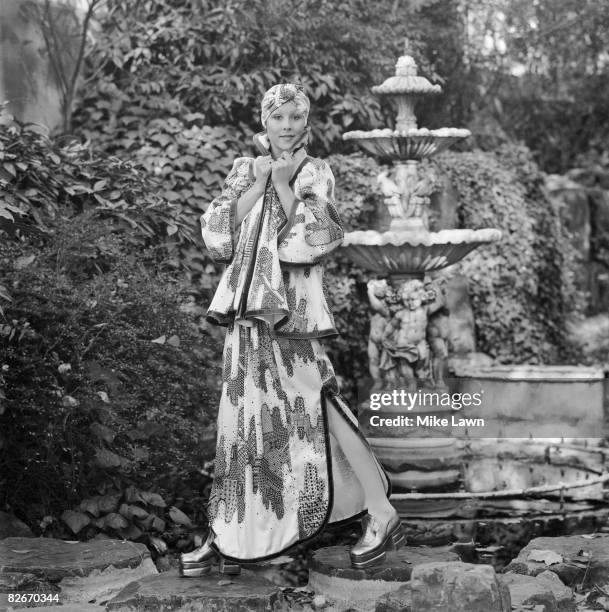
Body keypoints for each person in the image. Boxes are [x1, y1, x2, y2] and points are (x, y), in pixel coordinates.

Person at [180, 84, 403, 577]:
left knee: (316, 401)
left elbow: (313, 239)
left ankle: (381, 511)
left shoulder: (316, 171)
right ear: (264, 120)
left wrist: (283, 184)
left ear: (306, 122)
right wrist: (259, 182)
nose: (286, 125)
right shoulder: (244, 169)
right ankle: (233, 532)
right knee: (244, 415)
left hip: (293, 310)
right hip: (246, 311)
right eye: (278, 116)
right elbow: (219, 236)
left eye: (295, 117)